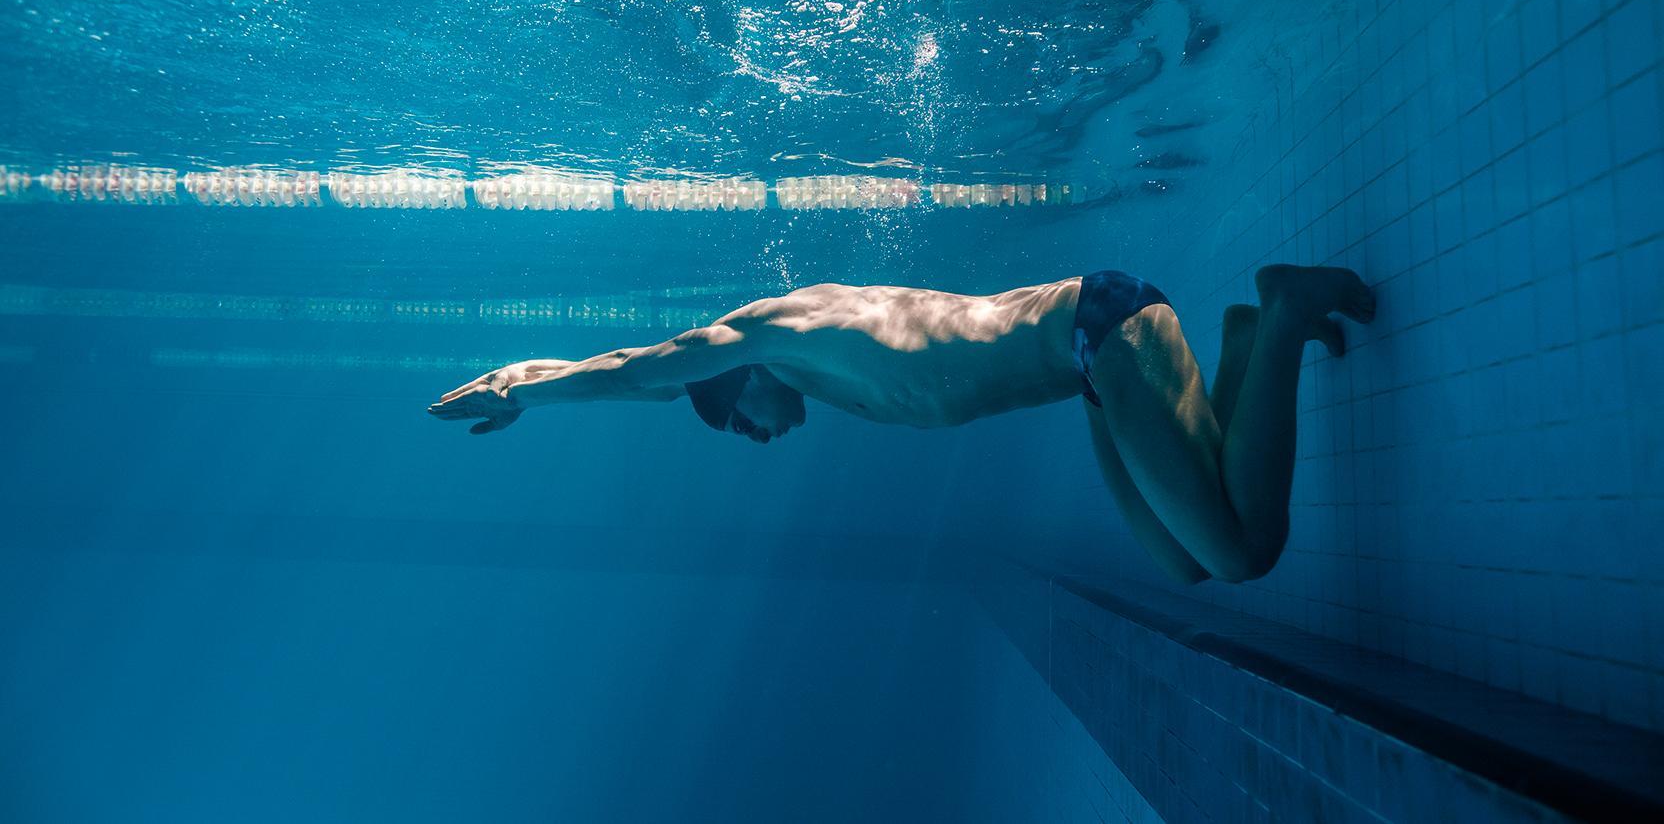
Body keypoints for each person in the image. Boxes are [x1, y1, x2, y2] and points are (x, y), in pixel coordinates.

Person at [429, 264, 1374, 585]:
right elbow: (646, 389)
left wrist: (518, 386)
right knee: (1187, 562)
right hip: (1093, 371)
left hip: (1102, 329)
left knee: (1245, 552)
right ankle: (1249, 336)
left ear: (738, 377)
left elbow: (643, 368)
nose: (758, 438)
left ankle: (1284, 312)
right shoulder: (796, 364)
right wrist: (537, 388)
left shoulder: (769, 329)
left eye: (738, 425)